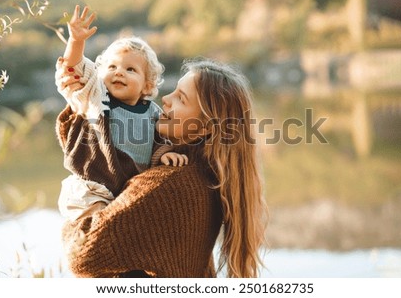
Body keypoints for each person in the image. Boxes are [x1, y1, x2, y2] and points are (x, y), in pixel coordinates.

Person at [58, 56, 268, 278]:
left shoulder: (167, 184)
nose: (166, 99)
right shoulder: (207, 176)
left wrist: (75, 219)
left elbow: (81, 254)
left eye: (181, 98)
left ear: (205, 128)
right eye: (174, 91)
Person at [55, 6, 186, 220]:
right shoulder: (96, 98)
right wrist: (76, 42)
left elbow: (162, 140)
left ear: (147, 85)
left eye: (130, 69)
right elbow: (74, 69)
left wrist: (166, 155)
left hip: (124, 192)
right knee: (98, 230)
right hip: (90, 189)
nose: (119, 72)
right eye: (112, 66)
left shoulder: (153, 112)